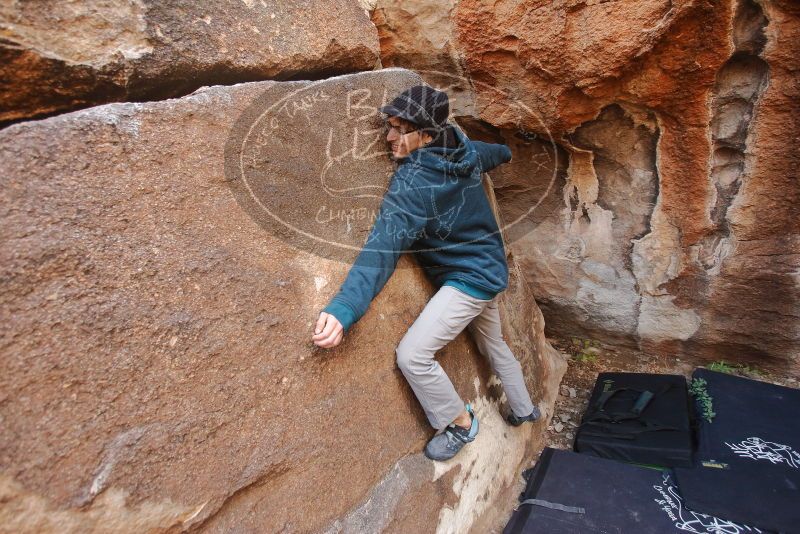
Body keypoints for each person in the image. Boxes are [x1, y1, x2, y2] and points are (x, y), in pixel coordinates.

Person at [311, 84, 540, 461]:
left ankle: (461, 423)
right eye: (390, 126)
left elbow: (382, 248)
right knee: (494, 345)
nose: (389, 137)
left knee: (414, 355)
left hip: (469, 280)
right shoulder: (461, 148)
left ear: (428, 135)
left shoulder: (414, 183)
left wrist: (344, 307)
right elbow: (489, 153)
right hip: (489, 268)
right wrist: (506, 151)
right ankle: (524, 409)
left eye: (401, 129)